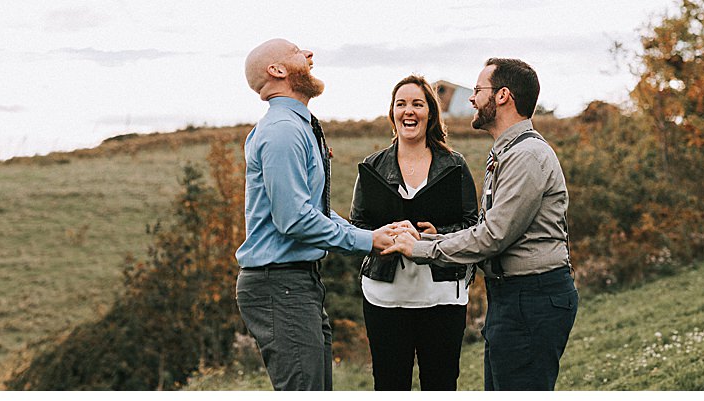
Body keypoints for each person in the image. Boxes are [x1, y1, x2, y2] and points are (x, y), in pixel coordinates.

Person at [383, 58, 578, 391]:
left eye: (477, 91)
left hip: (530, 298)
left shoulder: (526, 155)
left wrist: (421, 248)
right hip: (513, 296)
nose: (472, 99)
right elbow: (492, 229)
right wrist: (441, 235)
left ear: (502, 96)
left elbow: (493, 237)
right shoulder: (507, 152)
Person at [235, 38, 397, 391]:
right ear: (276, 71)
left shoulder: (296, 127)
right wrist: (367, 241)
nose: (309, 56)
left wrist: (373, 234)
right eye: (297, 51)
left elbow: (313, 211)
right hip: (280, 285)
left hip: (296, 283)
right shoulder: (282, 132)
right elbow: (294, 220)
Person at [349, 75, 478, 390]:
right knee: (390, 385)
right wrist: (382, 234)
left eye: (417, 104)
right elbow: (356, 226)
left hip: (443, 297)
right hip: (385, 298)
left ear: (430, 113)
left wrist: (435, 236)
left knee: (441, 383)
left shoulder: (454, 165)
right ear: (392, 113)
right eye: (401, 104)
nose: (409, 111)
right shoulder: (373, 167)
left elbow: (473, 226)